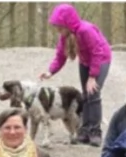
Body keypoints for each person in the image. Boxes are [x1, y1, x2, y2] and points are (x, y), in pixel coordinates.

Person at [38, 4, 112, 145]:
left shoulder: (86, 30)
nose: (58, 30)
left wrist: (92, 76)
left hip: (101, 59)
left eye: (60, 26)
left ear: (68, 23)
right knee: (85, 95)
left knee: (93, 93)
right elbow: (60, 56)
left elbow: (97, 52)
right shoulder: (65, 36)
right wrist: (50, 71)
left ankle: (95, 131)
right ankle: (84, 130)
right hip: (85, 61)